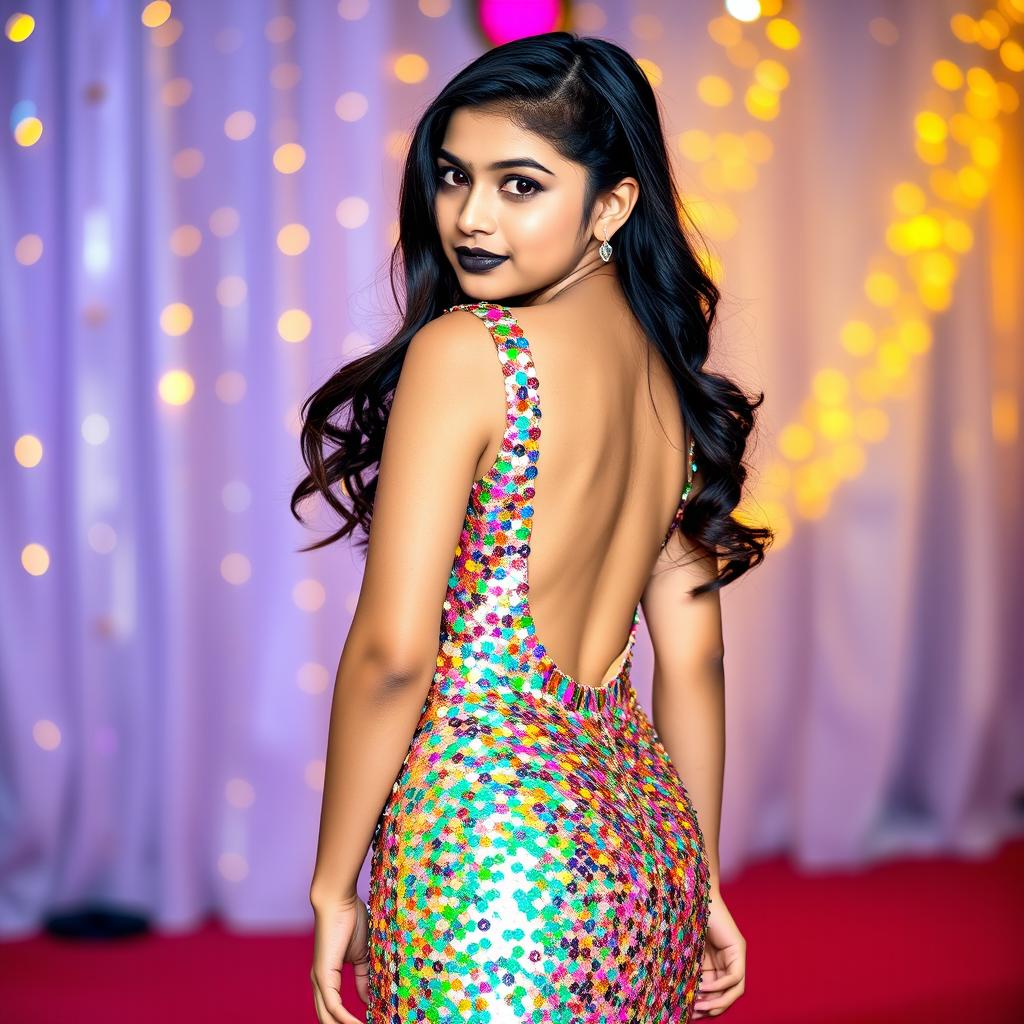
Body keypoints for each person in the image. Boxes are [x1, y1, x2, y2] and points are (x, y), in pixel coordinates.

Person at [292, 31, 771, 1024]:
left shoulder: (468, 351)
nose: (469, 216)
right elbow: (693, 665)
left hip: (487, 861)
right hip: (645, 849)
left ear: (611, 203)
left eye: (519, 185)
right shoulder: (673, 386)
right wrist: (700, 874)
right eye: (454, 176)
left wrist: (334, 881)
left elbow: (391, 653)